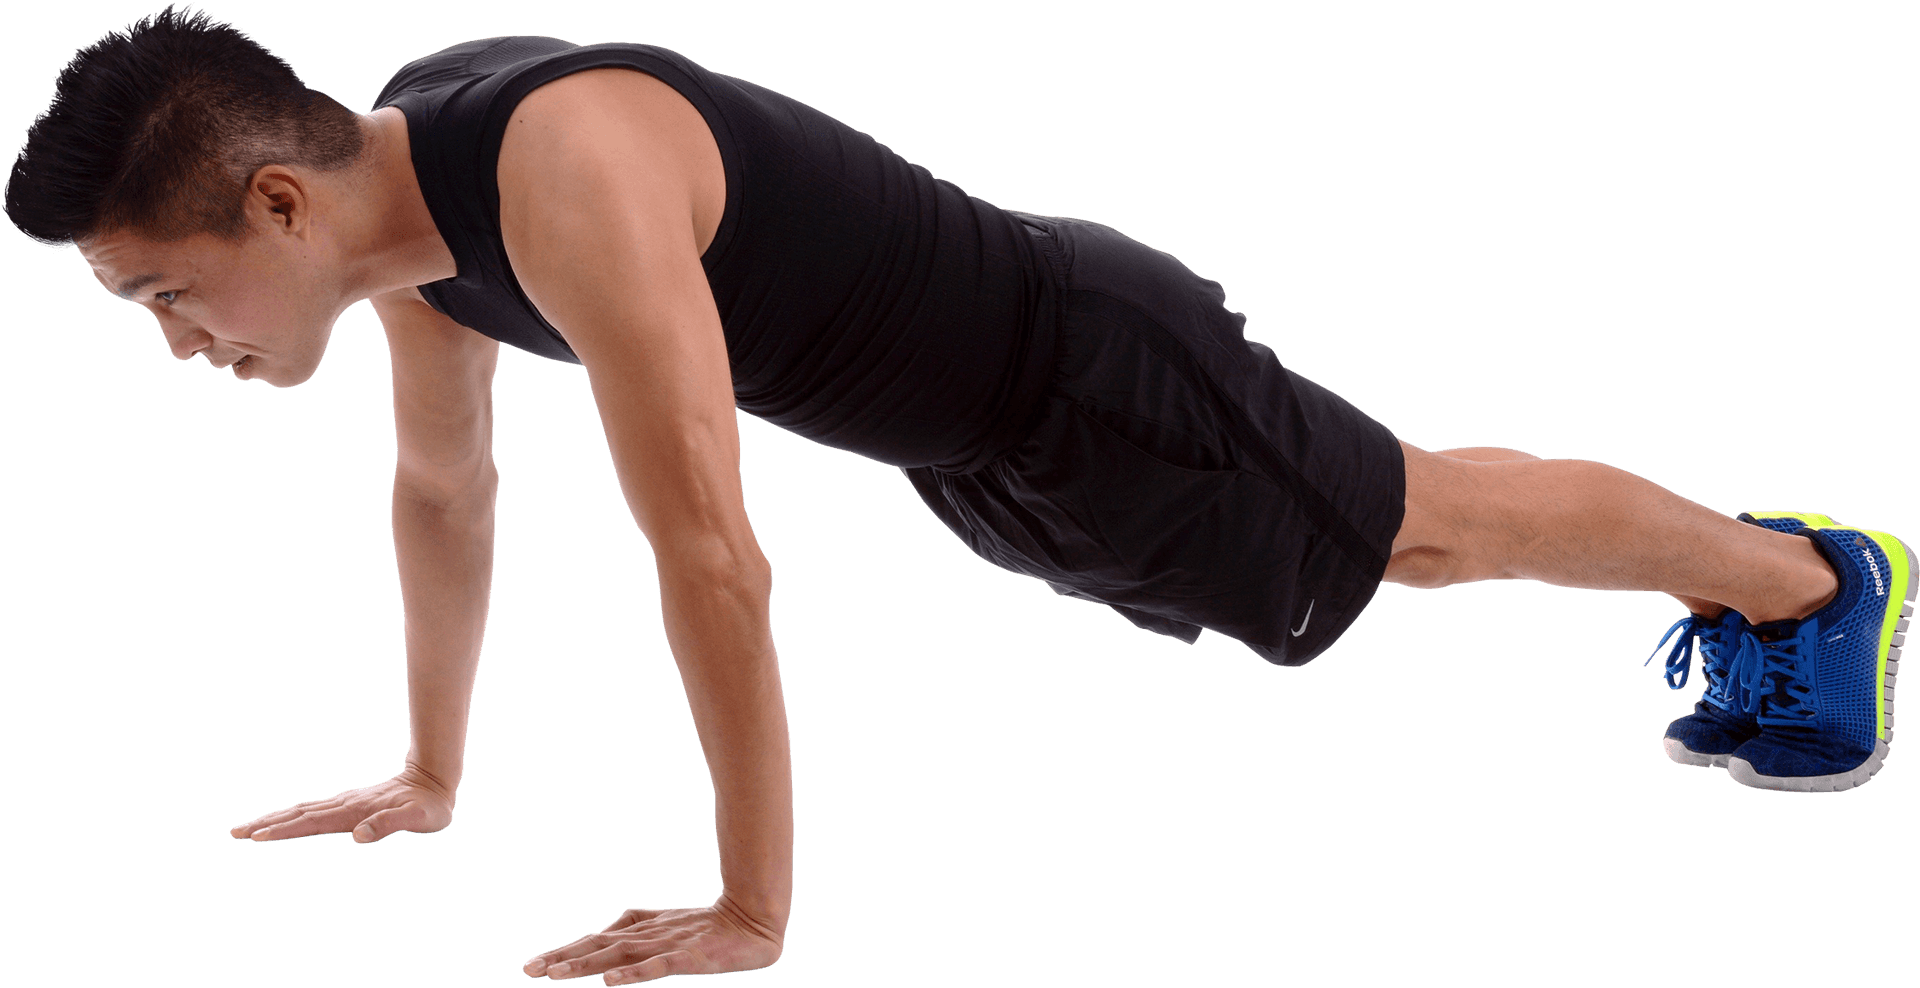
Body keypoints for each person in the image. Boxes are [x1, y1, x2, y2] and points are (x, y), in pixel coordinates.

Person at [6, 5, 1905, 984]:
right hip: (987, 438)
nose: (178, 342)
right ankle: (1771, 583)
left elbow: (712, 557)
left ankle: (1810, 584)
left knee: (1425, 528)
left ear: (275, 202)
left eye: (164, 296)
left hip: (1091, 376)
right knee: (1414, 527)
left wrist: (752, 906)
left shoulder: (560, 174)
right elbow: (444, 490)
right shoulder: (404, 223)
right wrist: (431, 771)